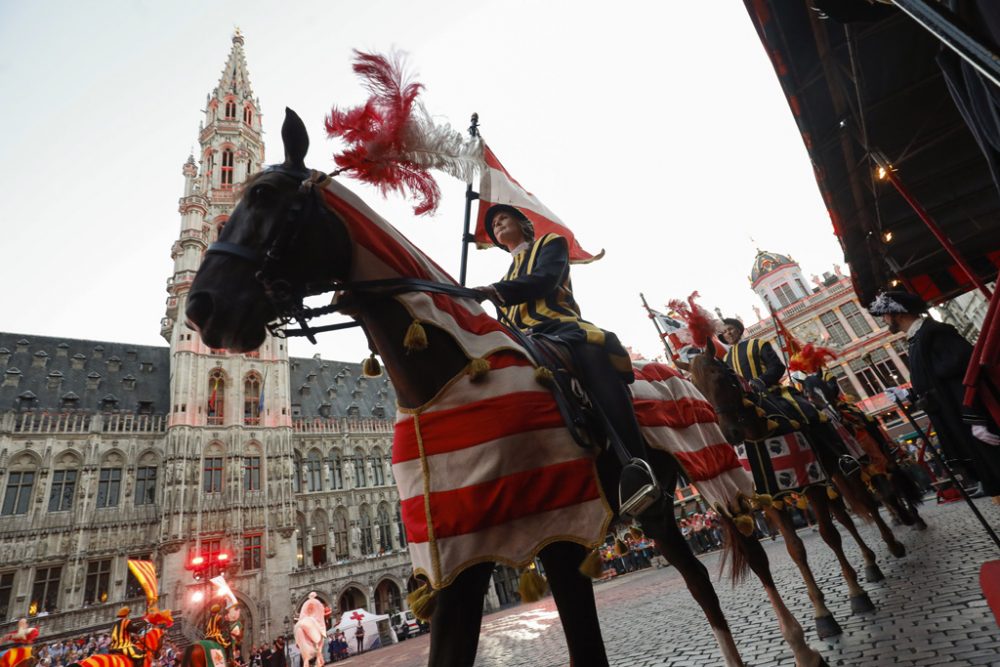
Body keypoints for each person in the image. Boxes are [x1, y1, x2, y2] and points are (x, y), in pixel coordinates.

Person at [473, 204, 660, 517]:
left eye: (503, 217)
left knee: (592, 352)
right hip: (526, 342)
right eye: (494, 223)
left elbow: (545, 280)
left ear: (522, 223)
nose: (498, 222)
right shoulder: (505, 275)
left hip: (560, 328)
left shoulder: (551, 244)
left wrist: (491, 291)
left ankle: (637, 465)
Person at [869, 290, 1000, 501]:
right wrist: (908, 393)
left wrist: (977, 418)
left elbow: (965, 375)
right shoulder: (917, 339)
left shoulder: (934, 333)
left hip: (970, 420)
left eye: (885, 315)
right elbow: (934, 381)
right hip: (957, 421)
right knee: (991, 477)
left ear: (898, 314)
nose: (884, 320)